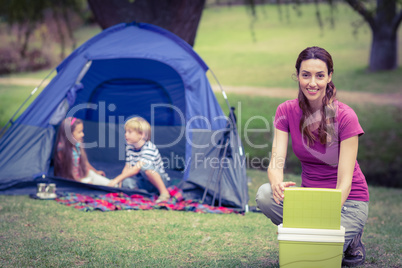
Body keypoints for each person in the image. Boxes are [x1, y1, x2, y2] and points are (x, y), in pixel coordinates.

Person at [255, 46, 369, 267]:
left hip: (348, 203)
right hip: (309, 199)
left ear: (329, 77)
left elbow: (345, 181)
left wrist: (324, 212)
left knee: (312, 255)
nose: (312, 83)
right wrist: (277, 182)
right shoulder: (285, 111)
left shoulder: (346, 116)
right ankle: (319, 236)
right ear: (297, 76)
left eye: (319, 75)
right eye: (305, 75)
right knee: (265, 195)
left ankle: (350, 237)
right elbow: (276, 162)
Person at [107, 117, 171, 203]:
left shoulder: (149, 147)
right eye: (126, 131)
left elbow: (137, 168)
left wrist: (116, 179)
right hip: (143, 182)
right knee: (127, 182)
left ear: (142, 135)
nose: (126, 134)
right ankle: (140, 195)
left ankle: (164, 193)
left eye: (129, 132)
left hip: (159, 181)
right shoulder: (129, 147)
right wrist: (120, 184)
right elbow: (128, 167)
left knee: (145, 167)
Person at [54, 117, 111, 186]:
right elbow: (68, 172)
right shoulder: (62, 149)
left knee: (107, 183)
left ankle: (113, 184)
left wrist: (95, 172)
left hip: (82, 175)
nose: (82, 134)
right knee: (91, 184)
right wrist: (81, 182)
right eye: (79, 132)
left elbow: (85, 162)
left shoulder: (77, 144)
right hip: (72, 179)